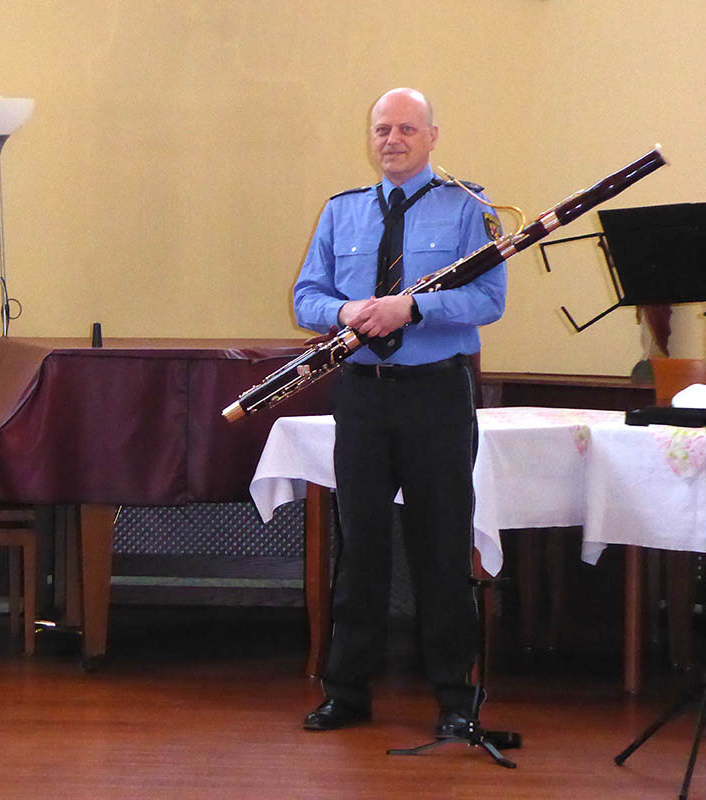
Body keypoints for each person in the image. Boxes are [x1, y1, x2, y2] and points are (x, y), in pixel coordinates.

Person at [292, 88, 507, 735]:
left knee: (441, 543)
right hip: (361, 392)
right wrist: (344, 312)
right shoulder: (342, 212)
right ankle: (347, 692)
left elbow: (490, 299)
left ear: (433, 136)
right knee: (360, 544)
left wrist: (413, 308)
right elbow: (307, 296)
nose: (392, 139)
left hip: (436, 392)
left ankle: (453, 699)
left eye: (406, 128)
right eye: (382, 129)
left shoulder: (471, 209)